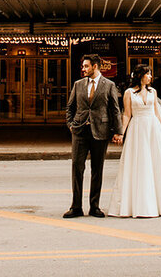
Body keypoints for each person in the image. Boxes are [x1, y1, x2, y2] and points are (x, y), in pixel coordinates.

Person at [106, 64, 161, 218]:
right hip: (137, 129)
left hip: (153, 129)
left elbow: (156, 113)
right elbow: (127, 115)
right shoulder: (129, 93)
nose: (150, 77)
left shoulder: (153, 92)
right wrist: (121, 133)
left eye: (150, 74)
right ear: (140, 75)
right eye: (148, 74)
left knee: (157, 164)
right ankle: (139, 204)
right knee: (139, 163)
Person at [64, 54, 123, 218]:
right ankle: (76, 207)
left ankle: (94, 206)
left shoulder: (109, 85)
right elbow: (70, 107)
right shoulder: (78, 84)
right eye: (83, 66)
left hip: (100, 132)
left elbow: (115, 109)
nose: (83, 69)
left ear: (95, 66)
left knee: (97, 169)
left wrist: (118, 131)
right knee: (77, 167)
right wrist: (70, 124)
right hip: (80, 131)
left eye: (86, 66)